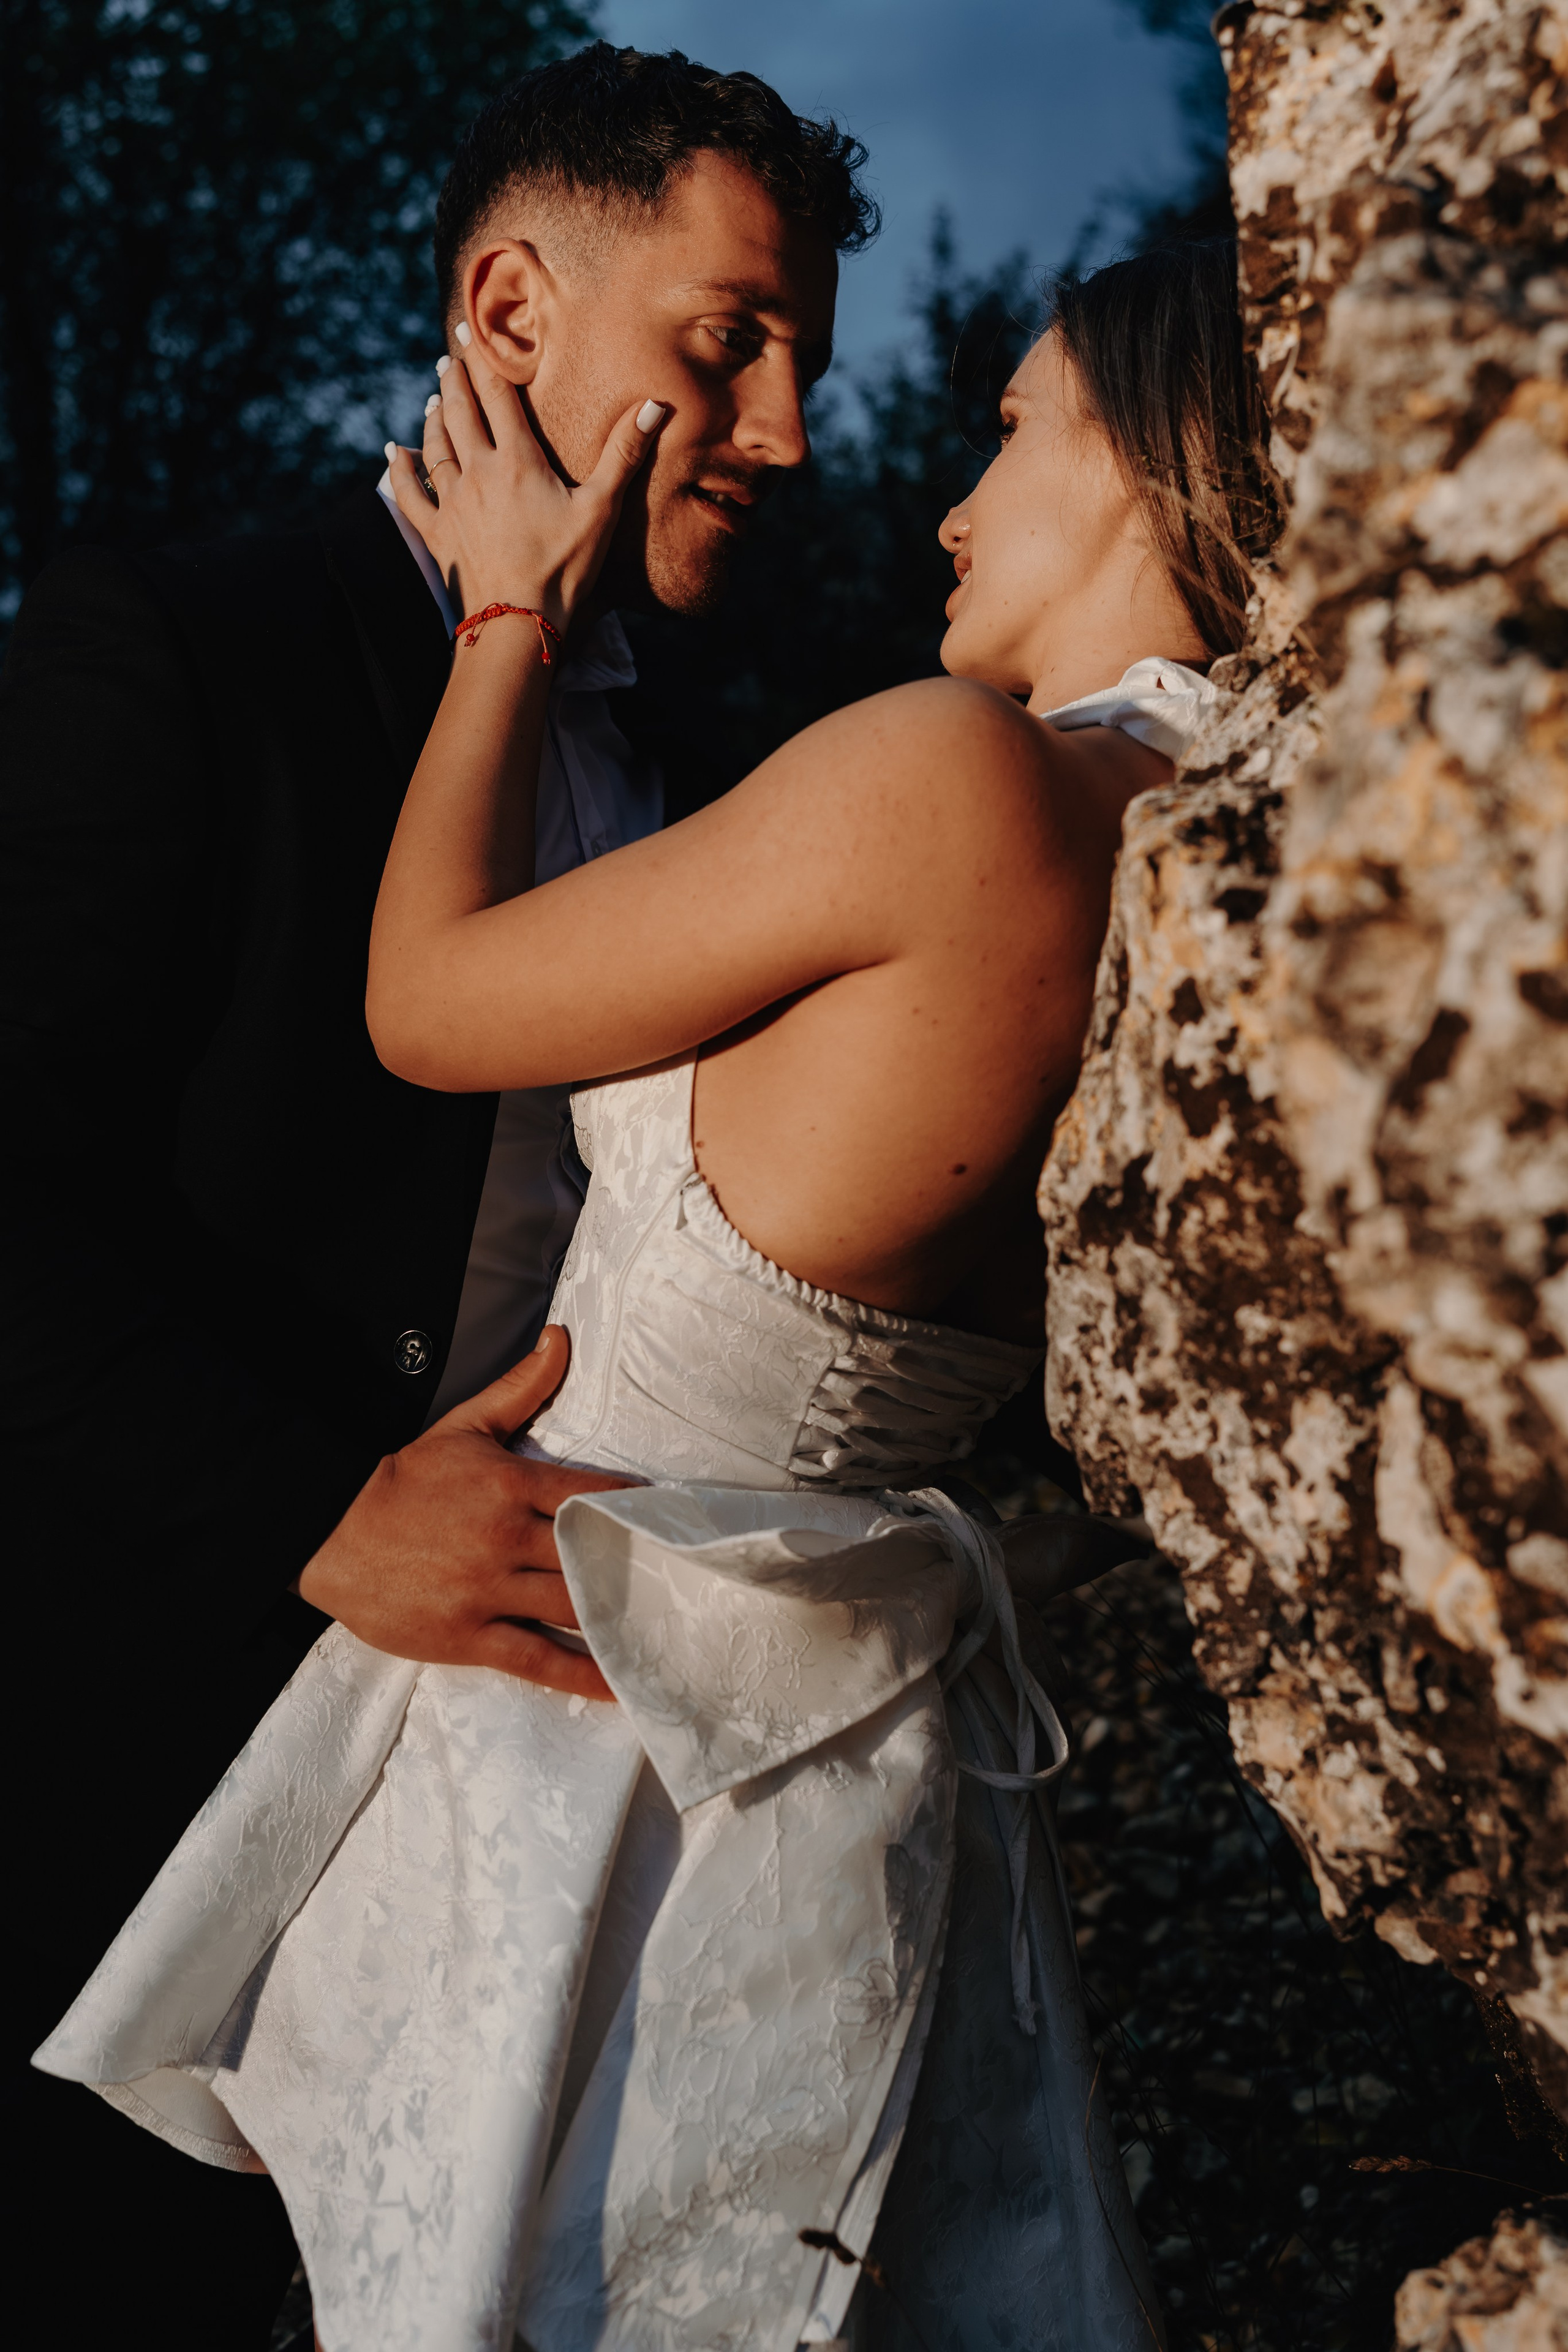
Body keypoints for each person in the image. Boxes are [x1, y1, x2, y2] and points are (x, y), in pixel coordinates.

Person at [37, 235, 1280, 2348]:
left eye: (1010, 429)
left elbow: (427, 1002)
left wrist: (507, 619)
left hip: (589, 1751)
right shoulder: (1226, 863)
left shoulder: (951, 776)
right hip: (854, 1748)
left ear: (1158, 457)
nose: (949, 503)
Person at [4, 44, 877, 2348]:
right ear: (507, 312)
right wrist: (318, 1508)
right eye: (730, 342)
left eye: (801, 362)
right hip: (130, 1780)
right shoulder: (179, 643)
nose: (788, 432)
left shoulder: (708, 768)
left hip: (541, 1824)